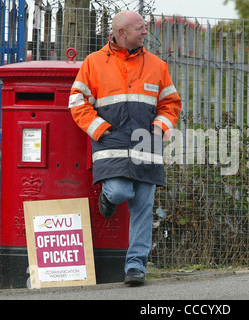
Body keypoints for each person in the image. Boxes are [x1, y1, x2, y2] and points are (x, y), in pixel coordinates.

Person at [68, 10, 182, 286]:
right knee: (119, 191)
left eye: (145, 27)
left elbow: (171, 104)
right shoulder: (93, 63)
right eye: (141, 28)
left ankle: (135, 267)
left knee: (143, 206)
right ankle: (107, 198)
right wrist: (100, 129)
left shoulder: (157, 65)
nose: (146, 32)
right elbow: (76, 101)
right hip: (111, 143)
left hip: (147, 143)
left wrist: (159, 128)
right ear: (122, 33)